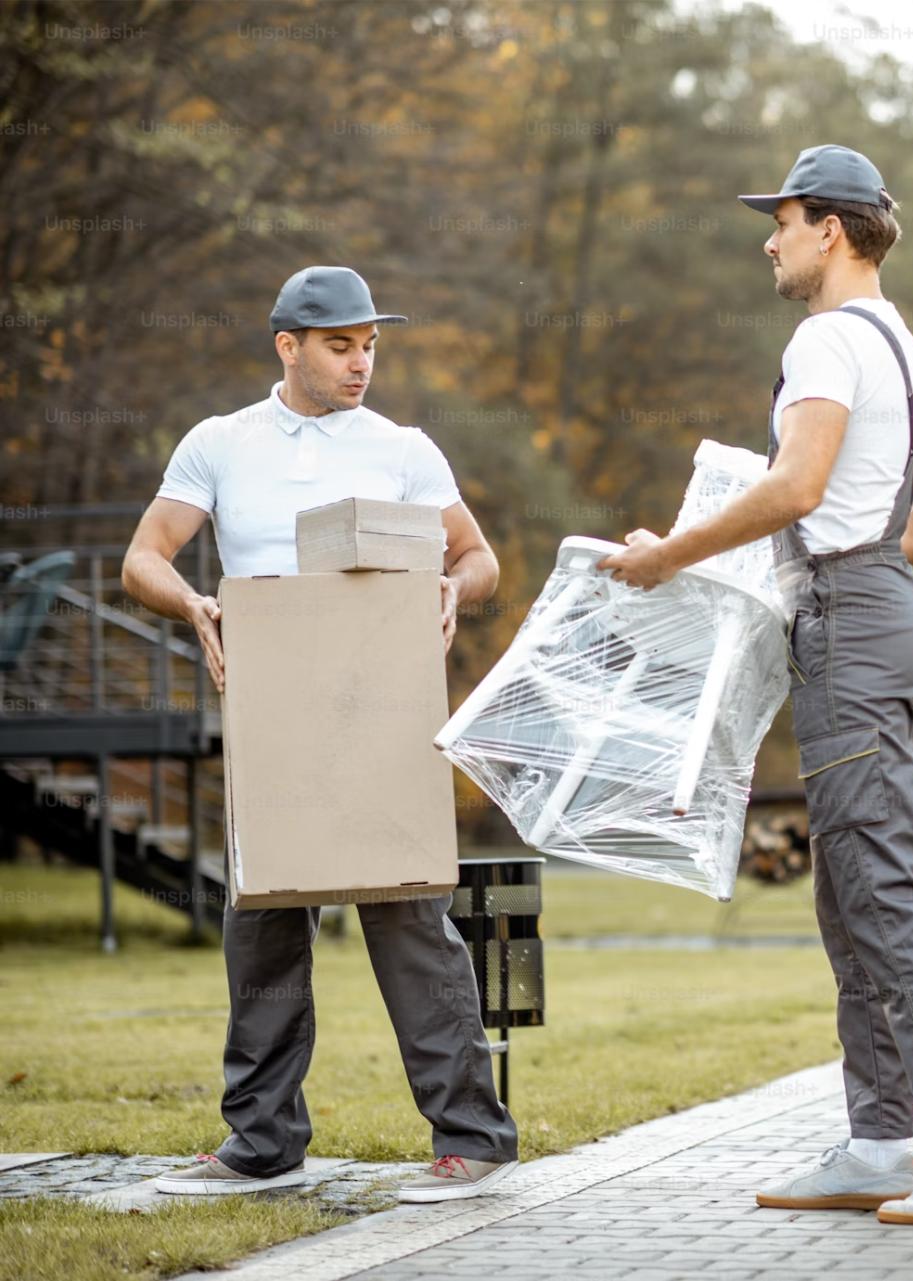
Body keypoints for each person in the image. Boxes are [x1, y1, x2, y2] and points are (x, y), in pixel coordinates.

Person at [599, 145, 913, 1225]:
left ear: (831, 230)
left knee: (880, 882)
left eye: (785, 220)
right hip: (894, 611)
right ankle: (877, 1139)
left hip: (851, 622)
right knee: (848, 888)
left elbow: (797, 484)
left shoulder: (824, 340)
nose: (772, 238)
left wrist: (674, 555)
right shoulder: (904, 350)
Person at [123, 266, 519, 1203]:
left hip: (384, 712)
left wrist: (451, 589)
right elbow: (145, 554)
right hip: (273, 717)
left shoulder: (402, 449)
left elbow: (481, 558)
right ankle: (260, 1145)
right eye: (341, 344)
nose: (361, 361)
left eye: (371, 343)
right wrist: (193, 603)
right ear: (287, 346)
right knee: (259, 926)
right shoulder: (221, 444)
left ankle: (472, 1138)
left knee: (412, 918)